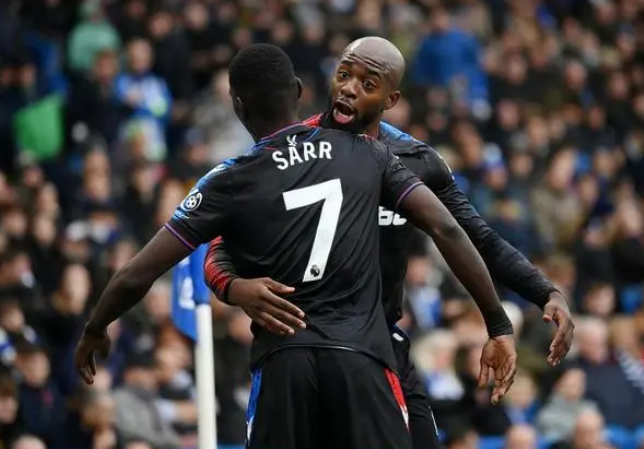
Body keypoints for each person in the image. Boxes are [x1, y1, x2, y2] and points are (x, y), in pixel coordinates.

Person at [74, 44, 517, 449]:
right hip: (361, 360)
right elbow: (447, 229)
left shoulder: (229, 179)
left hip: (284, 364)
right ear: (300, 92)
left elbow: (137, 273)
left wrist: (96, 325)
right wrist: (496, 323)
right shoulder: (366, 154)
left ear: (237, 105)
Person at [203, 36, 575, 449]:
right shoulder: (289, 152)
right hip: (298, 347)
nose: (349, 89)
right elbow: (220, 247)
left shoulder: (416, 160)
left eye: (367, 83)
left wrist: (544, 292)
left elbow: (475, 237)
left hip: (378, 347)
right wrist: (234, 287)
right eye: (344, 74)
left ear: (391, 98)